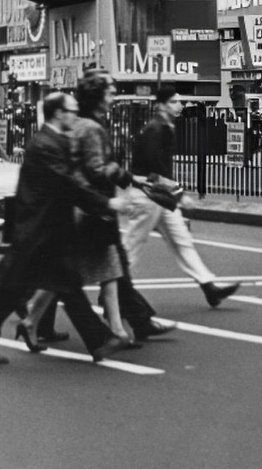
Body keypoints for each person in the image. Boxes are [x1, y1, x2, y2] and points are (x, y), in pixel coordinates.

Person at [0, 92, 130, 366]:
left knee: (58, 284)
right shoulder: (46, 145)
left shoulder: (55, 141)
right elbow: (69, 184)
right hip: (39, 230)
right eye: (72, 111)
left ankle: (98, 341)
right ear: (59, 113)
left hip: (48, 229)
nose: (75, 116)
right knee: (18, 287)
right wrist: (107, 203)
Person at [64, 71, 174, 342]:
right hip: (96, 206)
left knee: (113, 268)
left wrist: (128, 178)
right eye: (110, 93)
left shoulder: (84, 124)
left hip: (92, 205)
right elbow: (97, 169)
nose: (113, 97)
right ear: (97, 96)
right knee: (87, 270)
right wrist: (125, 181)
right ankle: (32, 317)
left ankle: (127, 324)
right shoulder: (91, 127)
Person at [125, 84, 240, 307]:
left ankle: (209, 286)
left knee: (181, 240)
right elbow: (154, 168)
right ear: (160, 106)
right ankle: (117, 288)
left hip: (160, 196)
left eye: (179, 101)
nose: (179, 105)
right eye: (174, 102)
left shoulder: (164, 127)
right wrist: (179, 195)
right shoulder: (156, 129)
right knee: (133, 244)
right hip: (147, 195)